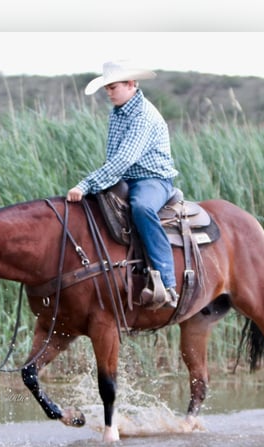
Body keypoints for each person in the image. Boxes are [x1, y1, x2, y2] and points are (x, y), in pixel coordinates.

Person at [66, 60, 179, 309]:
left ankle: (168, 283)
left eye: (113, 87)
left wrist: (86, 184)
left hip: (153, 179)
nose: (109, 92)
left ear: (130, 84)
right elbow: (115, 159)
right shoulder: (118, 112)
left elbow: (124, 158)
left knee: (141, 208)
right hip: (126, 178)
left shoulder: (143, 115)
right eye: (106, 88)